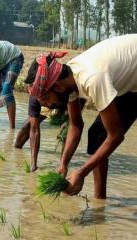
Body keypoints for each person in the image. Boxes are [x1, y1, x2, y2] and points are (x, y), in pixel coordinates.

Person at [25, 34, 137, 199]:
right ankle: (100, 202)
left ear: (57, 86)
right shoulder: (69, 82)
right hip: (128, 79)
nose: (48, 106)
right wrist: (64, 163)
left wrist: (81, 172)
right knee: (98, 135)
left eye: (47, 99)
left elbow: (116, 136)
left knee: (105, 135)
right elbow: (75, 125)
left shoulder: (93, 79)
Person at [15, 95, 68, 172]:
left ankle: (63, 163)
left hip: (63, 101)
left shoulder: (64, 92)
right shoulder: (34, 98)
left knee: (65, 131)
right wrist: (33, 163)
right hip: (50, 100)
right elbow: (34, 129)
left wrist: (65, 121)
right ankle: (16, 150)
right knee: (27, 126)